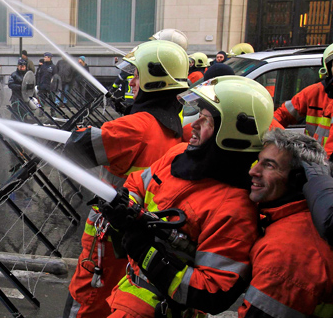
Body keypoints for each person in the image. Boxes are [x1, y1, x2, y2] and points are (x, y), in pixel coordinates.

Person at [100, 76, 274, 318]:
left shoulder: (235, 209)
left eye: (206, 120)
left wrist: (146, 252)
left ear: (231, 131)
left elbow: (213, 292)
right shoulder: (180, 154)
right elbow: (137, 184)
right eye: (198, 114)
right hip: (129, 294)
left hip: (160, 310)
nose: (194, 125)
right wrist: (125, 206)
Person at [61, 40, 189, 318]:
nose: (132, 80)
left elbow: (78, 148)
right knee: (115, 298)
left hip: (108, 236)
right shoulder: (171, 122)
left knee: (88, 300)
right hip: (137, 234)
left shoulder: (136, 126)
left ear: (154, 81)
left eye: (137, 74)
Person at [239, 129, 333, 318]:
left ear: (297, 180)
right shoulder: (303, 217)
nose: (253, 171)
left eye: (269, 166)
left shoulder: (285, 252)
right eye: (258, 161)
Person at [273, 43, 333, 158]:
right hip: (314, 164)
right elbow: (279, 117)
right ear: (328, 68)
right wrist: (283, 143)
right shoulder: (314, 93)